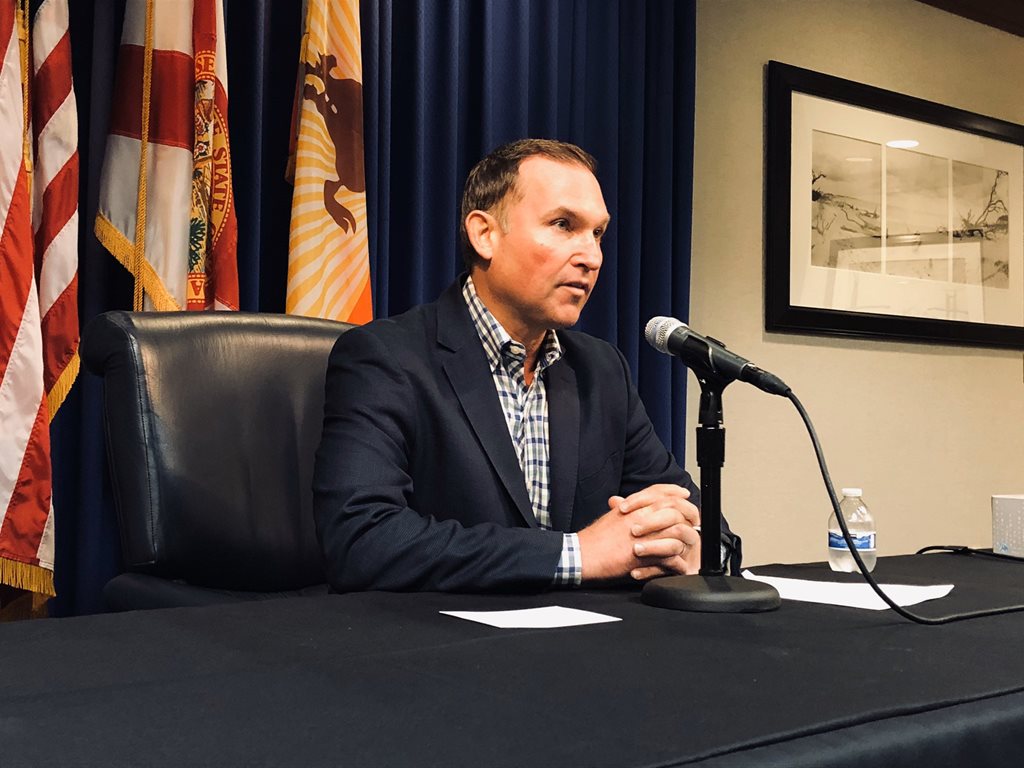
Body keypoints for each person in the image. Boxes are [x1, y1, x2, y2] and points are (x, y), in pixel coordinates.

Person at [313, 138, 738, 592]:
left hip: (590, 646)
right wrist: (577, 554)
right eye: (563, 225)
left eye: (597, 234)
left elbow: (709, 528)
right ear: (484, 235)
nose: (591, 257)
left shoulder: (602, 370)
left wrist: (692, 546)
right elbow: (362, 541)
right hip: (439, 646)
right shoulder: (386, 357)